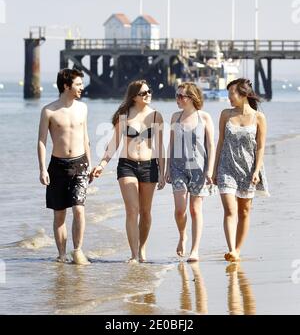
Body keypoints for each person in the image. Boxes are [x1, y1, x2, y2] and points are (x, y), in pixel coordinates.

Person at [91, 80, 165, 263]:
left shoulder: (156, 116)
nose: (148, 94)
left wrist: (163, 172)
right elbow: (114, 143)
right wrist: (102, 164)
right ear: (134, 97)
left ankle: (142, 250)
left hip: (149, 166)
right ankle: (133, 254)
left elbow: (160, 146)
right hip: (127, 166)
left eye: (149, 91)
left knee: (146, 212)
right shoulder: (123, 115)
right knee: (132, 210)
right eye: (144, 93)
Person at [37, 68, 91, 265]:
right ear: (66, 86)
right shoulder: (49, 111)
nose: (81, 88)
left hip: (80, 164)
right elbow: (42, 141)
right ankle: (61, 254)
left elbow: (85, 137)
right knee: (59, 214)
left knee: (79, 209)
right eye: (78, 84)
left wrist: (90, 163)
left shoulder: (83, 108)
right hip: (57, 166)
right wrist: (42, 168)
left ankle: (78, 251)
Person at [212, 78, 269, 263]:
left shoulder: (258, 117)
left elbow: (260, 147)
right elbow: (220, 142)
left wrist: (256, 171)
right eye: (228, 94)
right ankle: (231, 249)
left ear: (243, 95)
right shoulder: (225, 114)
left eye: (231, 94)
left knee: (244, 212)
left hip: (248, 169)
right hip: (226, 167)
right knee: (230, 210)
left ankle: (237, 250)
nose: (229, 97)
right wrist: (214, 169)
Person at [165, 82, 215, 262]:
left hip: (199, 169)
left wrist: (210, 169)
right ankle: (182, 235)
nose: (177, 99)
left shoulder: (205, 117)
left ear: (192, 98)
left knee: (195, 210)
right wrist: (166, 169)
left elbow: (211, 145)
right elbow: (170, 144)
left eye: (181, 96)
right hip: (178, 168)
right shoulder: (174, 117)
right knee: (180, 210)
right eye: (176, 95)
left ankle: (195, 250)